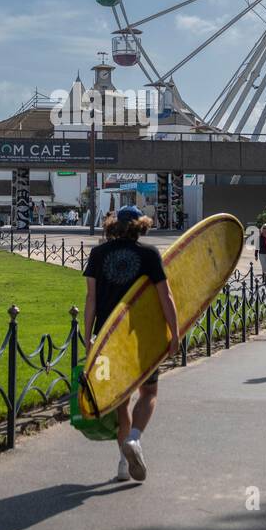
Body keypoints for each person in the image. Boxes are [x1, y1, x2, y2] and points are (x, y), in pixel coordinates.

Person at [83, 205, 179, 483]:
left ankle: (124, 465)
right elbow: (166, 297)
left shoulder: (98, 254)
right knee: (148, 393)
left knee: (120, 400)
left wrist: (89, 338)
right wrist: (174, 332)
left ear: (115, 225)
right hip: (142, 337)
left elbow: (91, 299)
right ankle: (134, 439)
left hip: (108, 338)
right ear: (141, 225)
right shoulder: (149, 254)